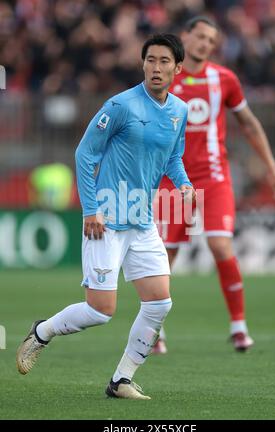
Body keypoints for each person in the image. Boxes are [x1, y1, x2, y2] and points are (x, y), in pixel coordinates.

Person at [16, 34, 195, 400]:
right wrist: (91, 209)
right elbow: (85, 154)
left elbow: (173, 158)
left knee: (160, 302)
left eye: (164, 61)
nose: (156, 68)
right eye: (150, 60)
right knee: (101, 311)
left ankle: (121, 381)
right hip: (107, 219)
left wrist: (184, 184)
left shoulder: (179, 110)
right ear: (142, 63)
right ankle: (41, 332)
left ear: (178, 68)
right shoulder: (121, 105)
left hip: (142, 220)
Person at [153, 17, 275, 354]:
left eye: (211, 40)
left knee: (221, 247)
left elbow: (250, 125)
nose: (204, 44)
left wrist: (271, 168)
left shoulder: (224, 79)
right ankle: (155, 330)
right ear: (185, 37)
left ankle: (239, 327)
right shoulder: (164, 78)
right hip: (173, 180)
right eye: (199, 36)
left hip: (214, 178)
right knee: (165, 254)